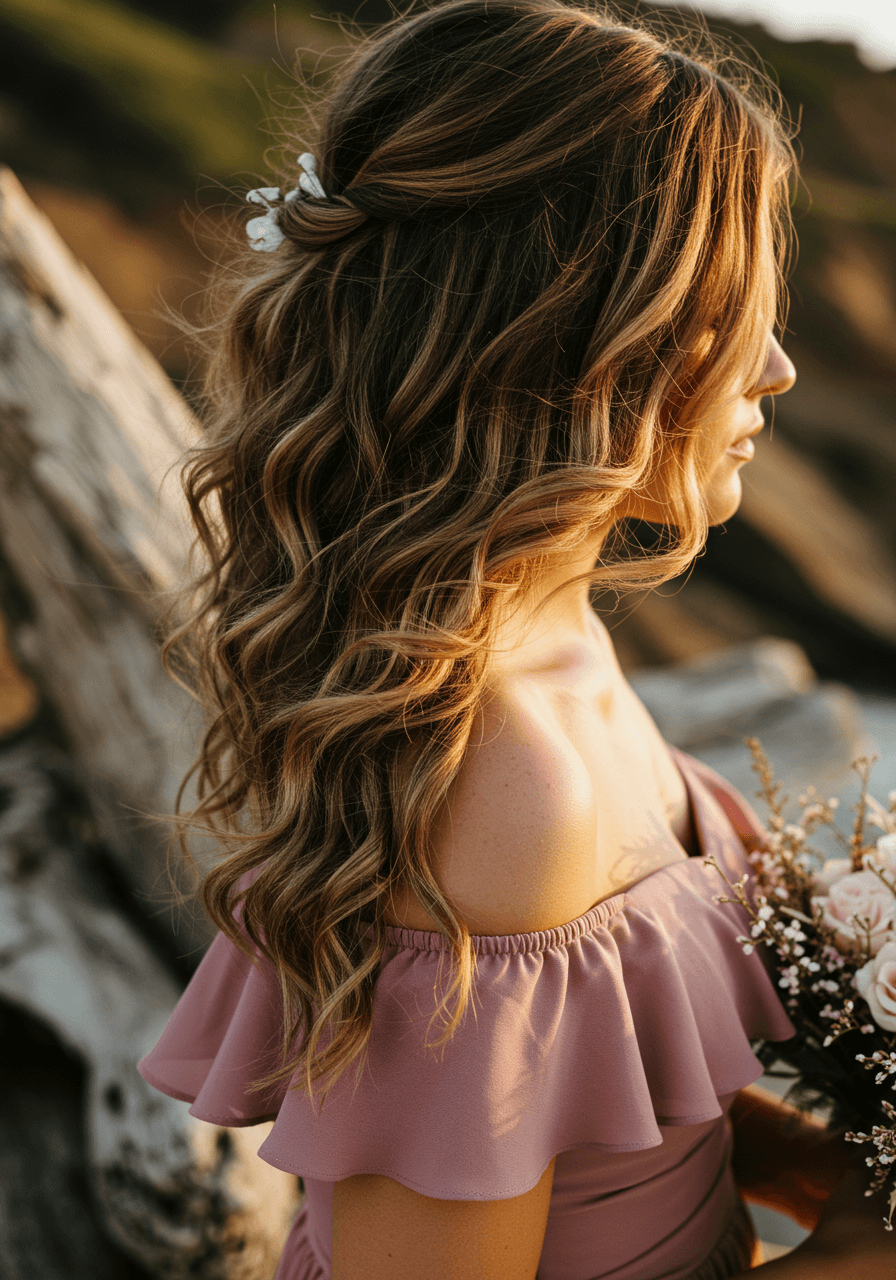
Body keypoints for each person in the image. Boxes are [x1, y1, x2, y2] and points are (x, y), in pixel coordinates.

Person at [136, 1, 896, 1275]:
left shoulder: (569, 645)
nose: (773, 366)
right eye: (727, 308)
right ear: (582, 336)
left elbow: (621, 1125)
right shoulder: (500, 792)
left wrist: (847, 1163)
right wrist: (861, 1246)